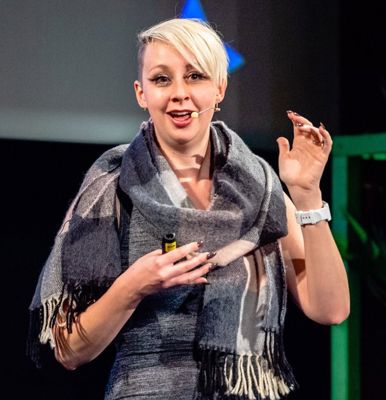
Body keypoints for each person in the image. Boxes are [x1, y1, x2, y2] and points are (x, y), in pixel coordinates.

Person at [28, 17, 350, 400]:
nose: (179, 93)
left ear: (220, 88)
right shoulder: (112, 184)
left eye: (195, 76)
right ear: (141, 93)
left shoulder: (259, 187)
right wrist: (133, 286)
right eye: (161, 79)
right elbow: (69, 351)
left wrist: (307, 193)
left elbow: (330, 309)